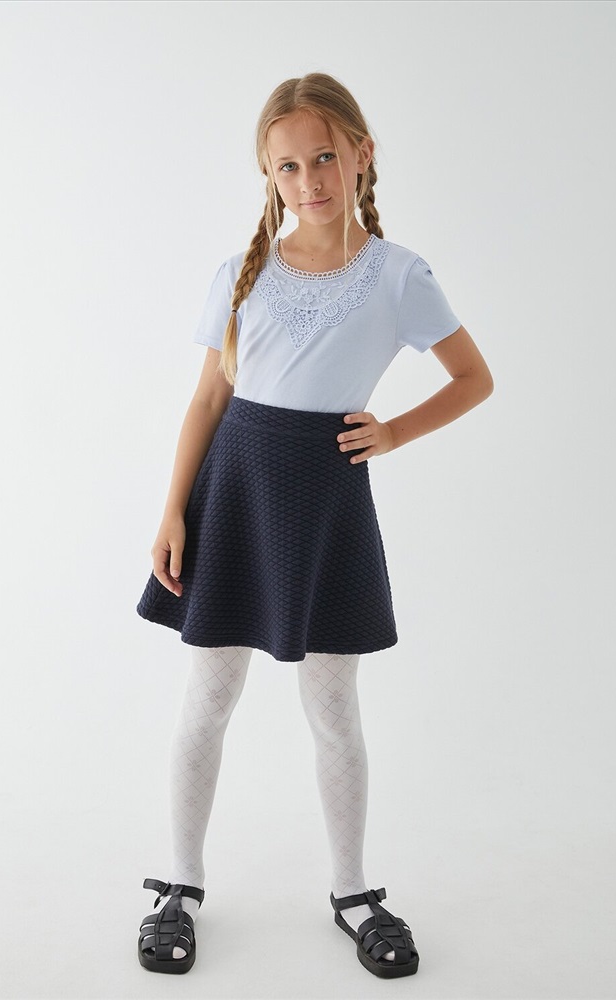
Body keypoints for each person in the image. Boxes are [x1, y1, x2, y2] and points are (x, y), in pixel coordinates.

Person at [135, 71, 493, 979]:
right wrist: (173, 507)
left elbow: (473, 378)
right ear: (269, 175)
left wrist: (394, 431)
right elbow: (209, 397)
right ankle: (179, 885)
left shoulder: (399, 275)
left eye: (324, 157)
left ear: (361, 153)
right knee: (207, 698)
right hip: (232, 494)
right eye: (287, 167)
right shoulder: (242, 271)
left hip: (326, 503)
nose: (309, 181)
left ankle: (353, 891)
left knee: (333, 708)